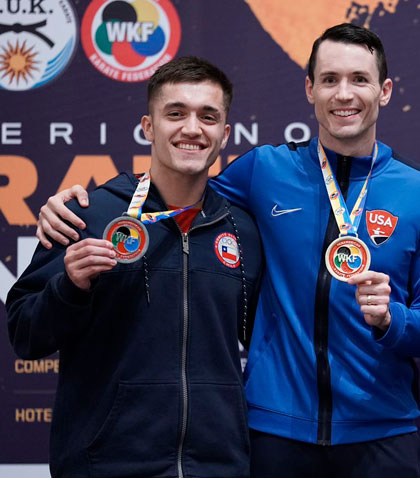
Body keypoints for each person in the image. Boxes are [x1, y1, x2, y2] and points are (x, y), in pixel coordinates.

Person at [34, 23, 420, 478]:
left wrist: (393, 319)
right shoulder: (264, 169)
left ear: (385, 91)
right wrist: (85, 201)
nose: (343, 94)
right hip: (274, 431)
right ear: (309, 88)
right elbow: (179, 185)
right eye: (329, 79)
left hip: (382, 433)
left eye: (359, 79)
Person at [6, 57, 263, 477]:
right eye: (175, 113)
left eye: (208, 117)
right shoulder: (89, 214)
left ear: (224, 134)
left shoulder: (243, 231)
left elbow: (268, 340)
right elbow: (24, 333)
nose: (192, 128)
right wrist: (69, 286)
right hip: (107, 465)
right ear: (148, 127)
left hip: (217, 468)